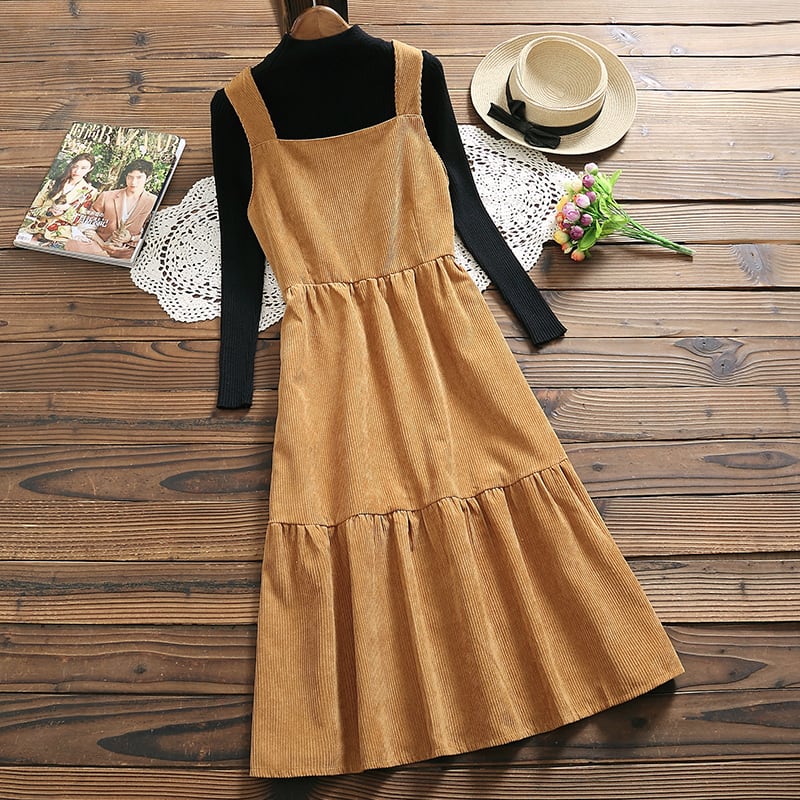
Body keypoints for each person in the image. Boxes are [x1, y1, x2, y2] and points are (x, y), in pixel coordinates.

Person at [66, 158, 157, 260]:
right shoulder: (107, 196)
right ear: (126, 177)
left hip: (128, 251)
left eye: (139, 177)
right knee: (73, 243)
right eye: (130, 177)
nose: (133, 182)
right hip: (99, 245)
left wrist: (131, 238)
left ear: (148, 178)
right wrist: (102, 244)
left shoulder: (153, 202)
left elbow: (153, 234)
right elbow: (87, 224)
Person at [22, 152, 98, 243]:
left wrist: (66, 210)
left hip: (60, 237)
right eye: (75, 166)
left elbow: (79, 220)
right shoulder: (52, 183)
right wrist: (49, 211)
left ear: (90, 169)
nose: (77, 171)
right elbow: (32, 209)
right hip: (35, 229)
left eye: (83, 168)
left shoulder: (90, 192)